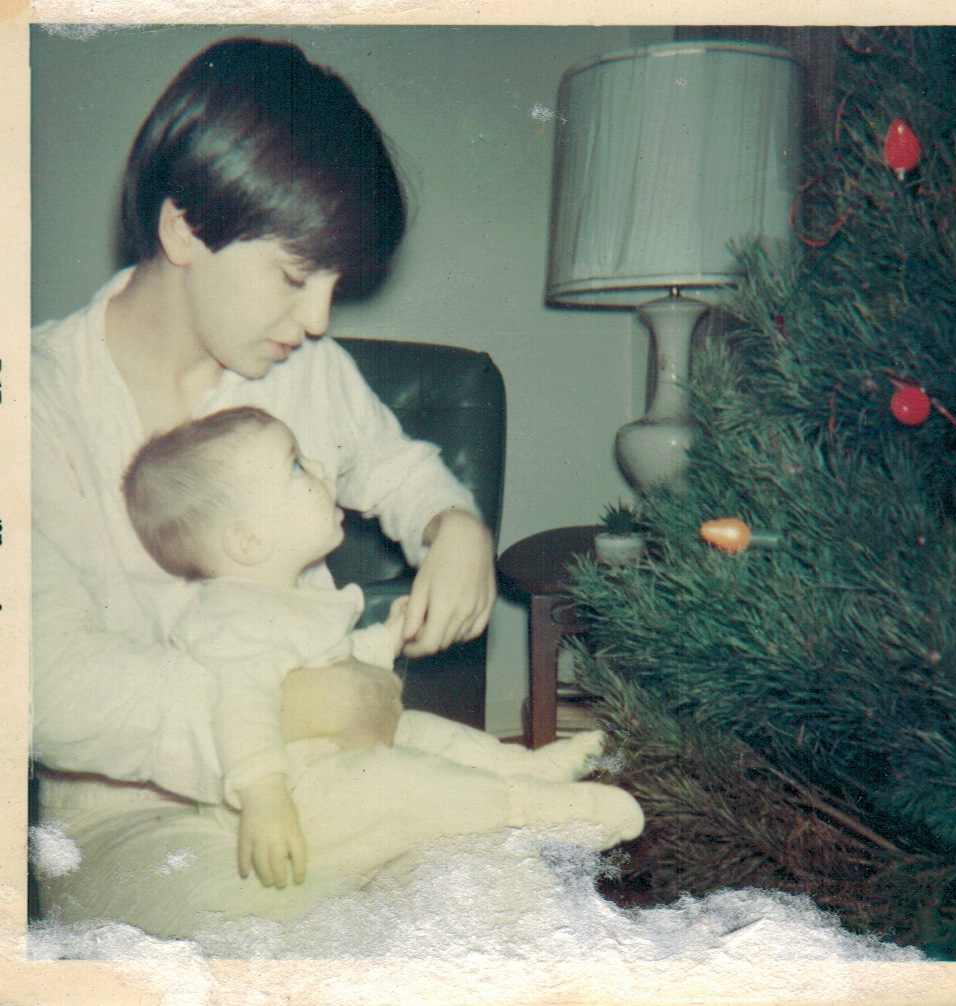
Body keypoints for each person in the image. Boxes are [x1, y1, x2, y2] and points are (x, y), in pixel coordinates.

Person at [30, 36, 546, 938]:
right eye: (297, 276)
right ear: (185, 228)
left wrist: (453, 524)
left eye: (335, 284)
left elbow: (398, 468)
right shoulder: (33, 402)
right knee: (275, 955)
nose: (317, 319)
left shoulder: (305, 372)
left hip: (333, 775)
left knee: (514, 902)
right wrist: (289, 712)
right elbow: (48, 679)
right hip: (127, 822)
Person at [120, 406, 644, 891]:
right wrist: (265, 797)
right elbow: (240, 708)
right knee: (405, 782)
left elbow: (336, 661)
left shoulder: (291, 596)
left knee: (421, 731)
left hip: (333, 759)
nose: (320, 468)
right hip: (295, 796)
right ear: (248, 541)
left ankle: (522, 768)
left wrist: (388, 637)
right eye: (296, 466)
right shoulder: (231, 618)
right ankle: (532, 810)